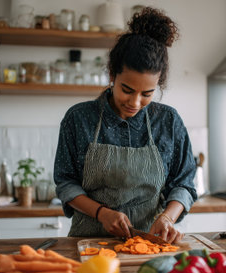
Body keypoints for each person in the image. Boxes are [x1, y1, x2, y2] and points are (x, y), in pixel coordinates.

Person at [53, 7, 196, 244]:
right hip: (89, 242)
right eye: (126, 90)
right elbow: (66, 183)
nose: (135, 102)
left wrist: (168, 217)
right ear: (112, 74)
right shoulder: (78, 118)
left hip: (150, 242)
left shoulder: (169, 122)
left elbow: (184, 183)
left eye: (147, 93)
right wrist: (102, 213)